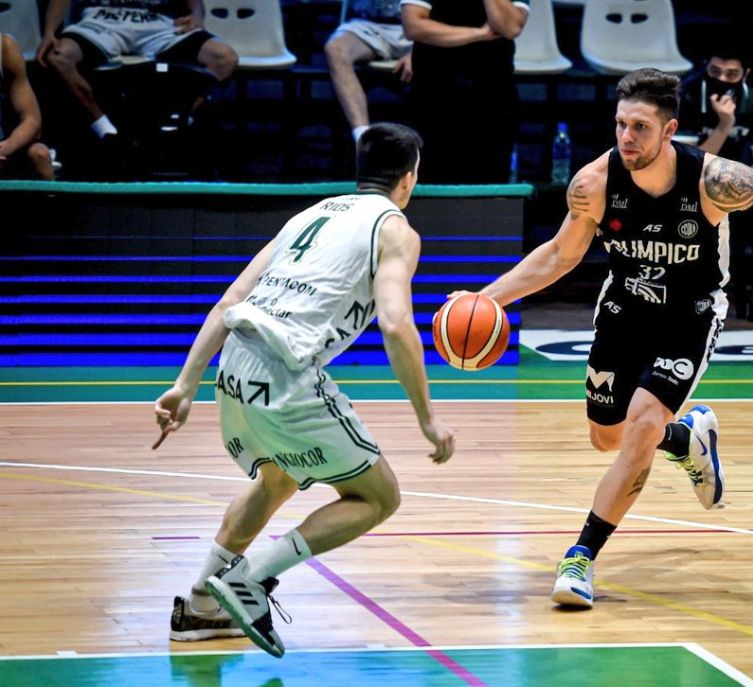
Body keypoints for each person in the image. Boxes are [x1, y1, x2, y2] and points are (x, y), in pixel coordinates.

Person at [473, 68, 753, 608]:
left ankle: (580, 557)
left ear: (669, 131)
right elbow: (559, 255)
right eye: (621, 124)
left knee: (641, 427)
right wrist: (485, 299)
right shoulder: (594, 183)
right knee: (606, 437)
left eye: (640, 127)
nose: (626, 137)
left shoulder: (712, 180)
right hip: (625, 310)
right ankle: (684, 440)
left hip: (690, 315)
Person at [153, 122, 456, 656]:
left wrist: (185, 383)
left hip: (234, 363)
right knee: (378, 497)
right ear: (409, 179)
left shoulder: (308, 215)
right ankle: (252, 578)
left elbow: (232, 300)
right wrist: (427, 418)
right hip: (285, 370)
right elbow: (394, 323)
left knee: (277, 478)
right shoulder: (395, 230)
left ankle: (201, 605)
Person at [674, 42, 753, 326]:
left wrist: (732, 193)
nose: (722, 79)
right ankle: (693, 300)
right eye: (715, 71)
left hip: (736, 182)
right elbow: (688, 163)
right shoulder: (686, 97)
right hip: (690, 182)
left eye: (731, 74)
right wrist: (724, 125)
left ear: (745, 74)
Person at [37, 0, 238, 144]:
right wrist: (49, 32)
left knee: (224, 58)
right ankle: (104, 128)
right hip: (101, 22)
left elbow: (195, 4)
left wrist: (197, 16)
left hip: (158, 25)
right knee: (58, 57)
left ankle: (180, 123)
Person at [401, 0, 528, 183]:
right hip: (434, 91)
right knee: (431, 183)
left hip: (492, 92)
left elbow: (510, 27)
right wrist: (478, 34)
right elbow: (413, 26)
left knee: (489, 185)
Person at [325, 0, 413, 144]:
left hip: (419, 27)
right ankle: (362, 139)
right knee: (336, 49)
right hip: (366, 24)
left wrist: (420, 51)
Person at [0, 34, 55, 180]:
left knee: (39, 153)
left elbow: (31, 119)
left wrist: (6, 147)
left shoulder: (4, 47)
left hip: (2, 146)